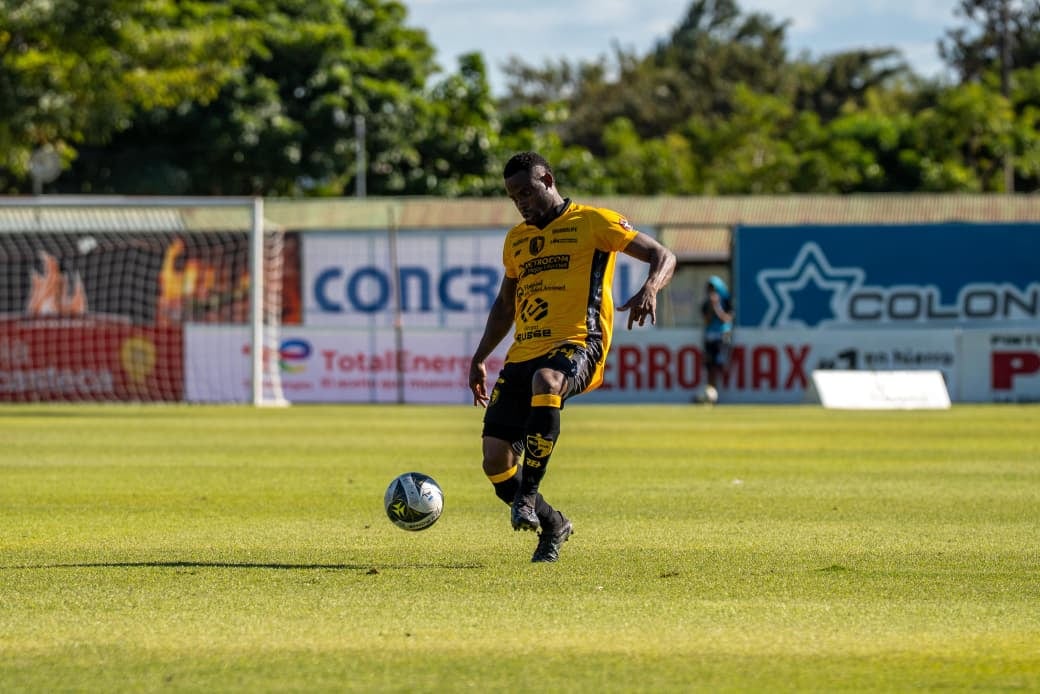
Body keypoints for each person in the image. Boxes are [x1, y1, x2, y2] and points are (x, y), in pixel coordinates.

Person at [468, 151, 676, 563]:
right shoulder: (516, 241)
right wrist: (480, 357)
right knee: (495, 462)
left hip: (580, 342)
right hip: (524, 351)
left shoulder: (593, 222)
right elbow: (504, 306)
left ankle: (527, 496)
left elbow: (663, 255)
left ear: (548, 178)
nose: (521, 201)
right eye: (513, 196)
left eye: (527, 191)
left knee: (547, 382)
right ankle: (552, 524)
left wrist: (651, 288)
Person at [699, 275, 733, 403]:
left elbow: (727, 319)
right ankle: (711, 394)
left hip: (721, 336)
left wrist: (717, 307)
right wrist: (711, 307)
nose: (711, 291)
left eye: (713, 288)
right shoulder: (706, 303)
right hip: (709, 337)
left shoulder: (726, 301)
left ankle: (715, 393)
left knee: (718, 366)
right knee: (709, 367)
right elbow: (707, 321)